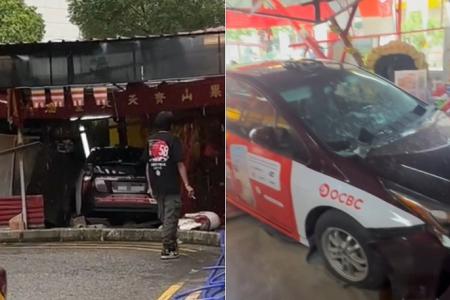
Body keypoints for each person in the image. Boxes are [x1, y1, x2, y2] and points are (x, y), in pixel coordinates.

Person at [143, 111, 195, 260]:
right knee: (171, 216)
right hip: (171, 184)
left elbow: (147, 166)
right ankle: (167, 248)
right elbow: (180, 164)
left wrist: (150, 186)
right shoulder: (173, 140)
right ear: (171, 126)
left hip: (156, 185)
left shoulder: (150, 141)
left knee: (164, 216)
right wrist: (187, 184)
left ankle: (171, 243)